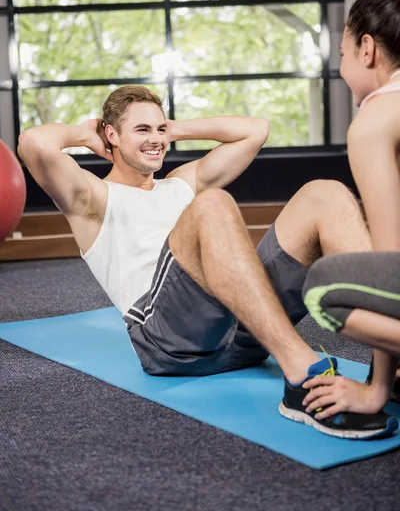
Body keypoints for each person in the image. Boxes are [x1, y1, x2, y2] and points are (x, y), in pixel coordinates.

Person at [18, 84, 397, 439]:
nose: (155, 139)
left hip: (244, 326)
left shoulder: (182, 180)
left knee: (325, 194)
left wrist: (172, 129)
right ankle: (302, 377)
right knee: (212, 203)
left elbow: (255, 130)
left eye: (159, 129)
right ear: (112, 135)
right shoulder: (93, 197)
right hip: (169, 341)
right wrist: (86, 135)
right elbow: (34, 143)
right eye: (142, 130)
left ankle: (390, 362)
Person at [302, 0, 400, 419]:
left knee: (322, 287)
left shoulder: (376, 118)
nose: (340, 68)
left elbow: (390, 256)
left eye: (340, 55)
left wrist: (376, 390)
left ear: (366, 49)